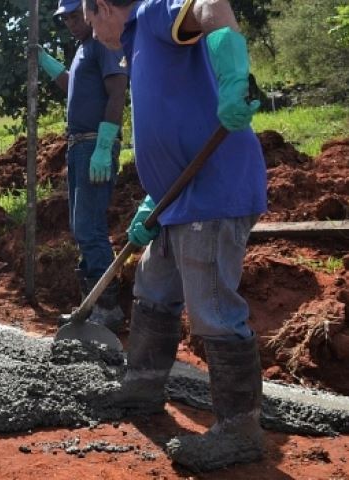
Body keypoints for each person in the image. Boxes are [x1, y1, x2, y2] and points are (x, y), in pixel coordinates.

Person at [82, 0, 267, 471]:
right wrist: (154, 198)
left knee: (213, 309)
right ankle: (142, 385)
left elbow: (212, 4)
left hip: (213, 192)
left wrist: (232, 79)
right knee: (153, 291)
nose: (93, 33)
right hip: (175, 201)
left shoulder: (153, 14)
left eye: (90, 22)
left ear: (103, 6)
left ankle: (239, 430)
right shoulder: (137, 43)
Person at [37, 0, 128, 331]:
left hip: (94, 143)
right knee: (81, 227)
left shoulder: (104, 44)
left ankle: (108, 307)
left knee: (90, 227)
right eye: (66, 19)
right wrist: (44, 62)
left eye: (76, 16)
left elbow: (117, 90)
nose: (71, 23)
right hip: (78, 147)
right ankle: (91, 305)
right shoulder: (82, 50)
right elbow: (72, 86)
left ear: (92, 13)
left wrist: (105, 144)